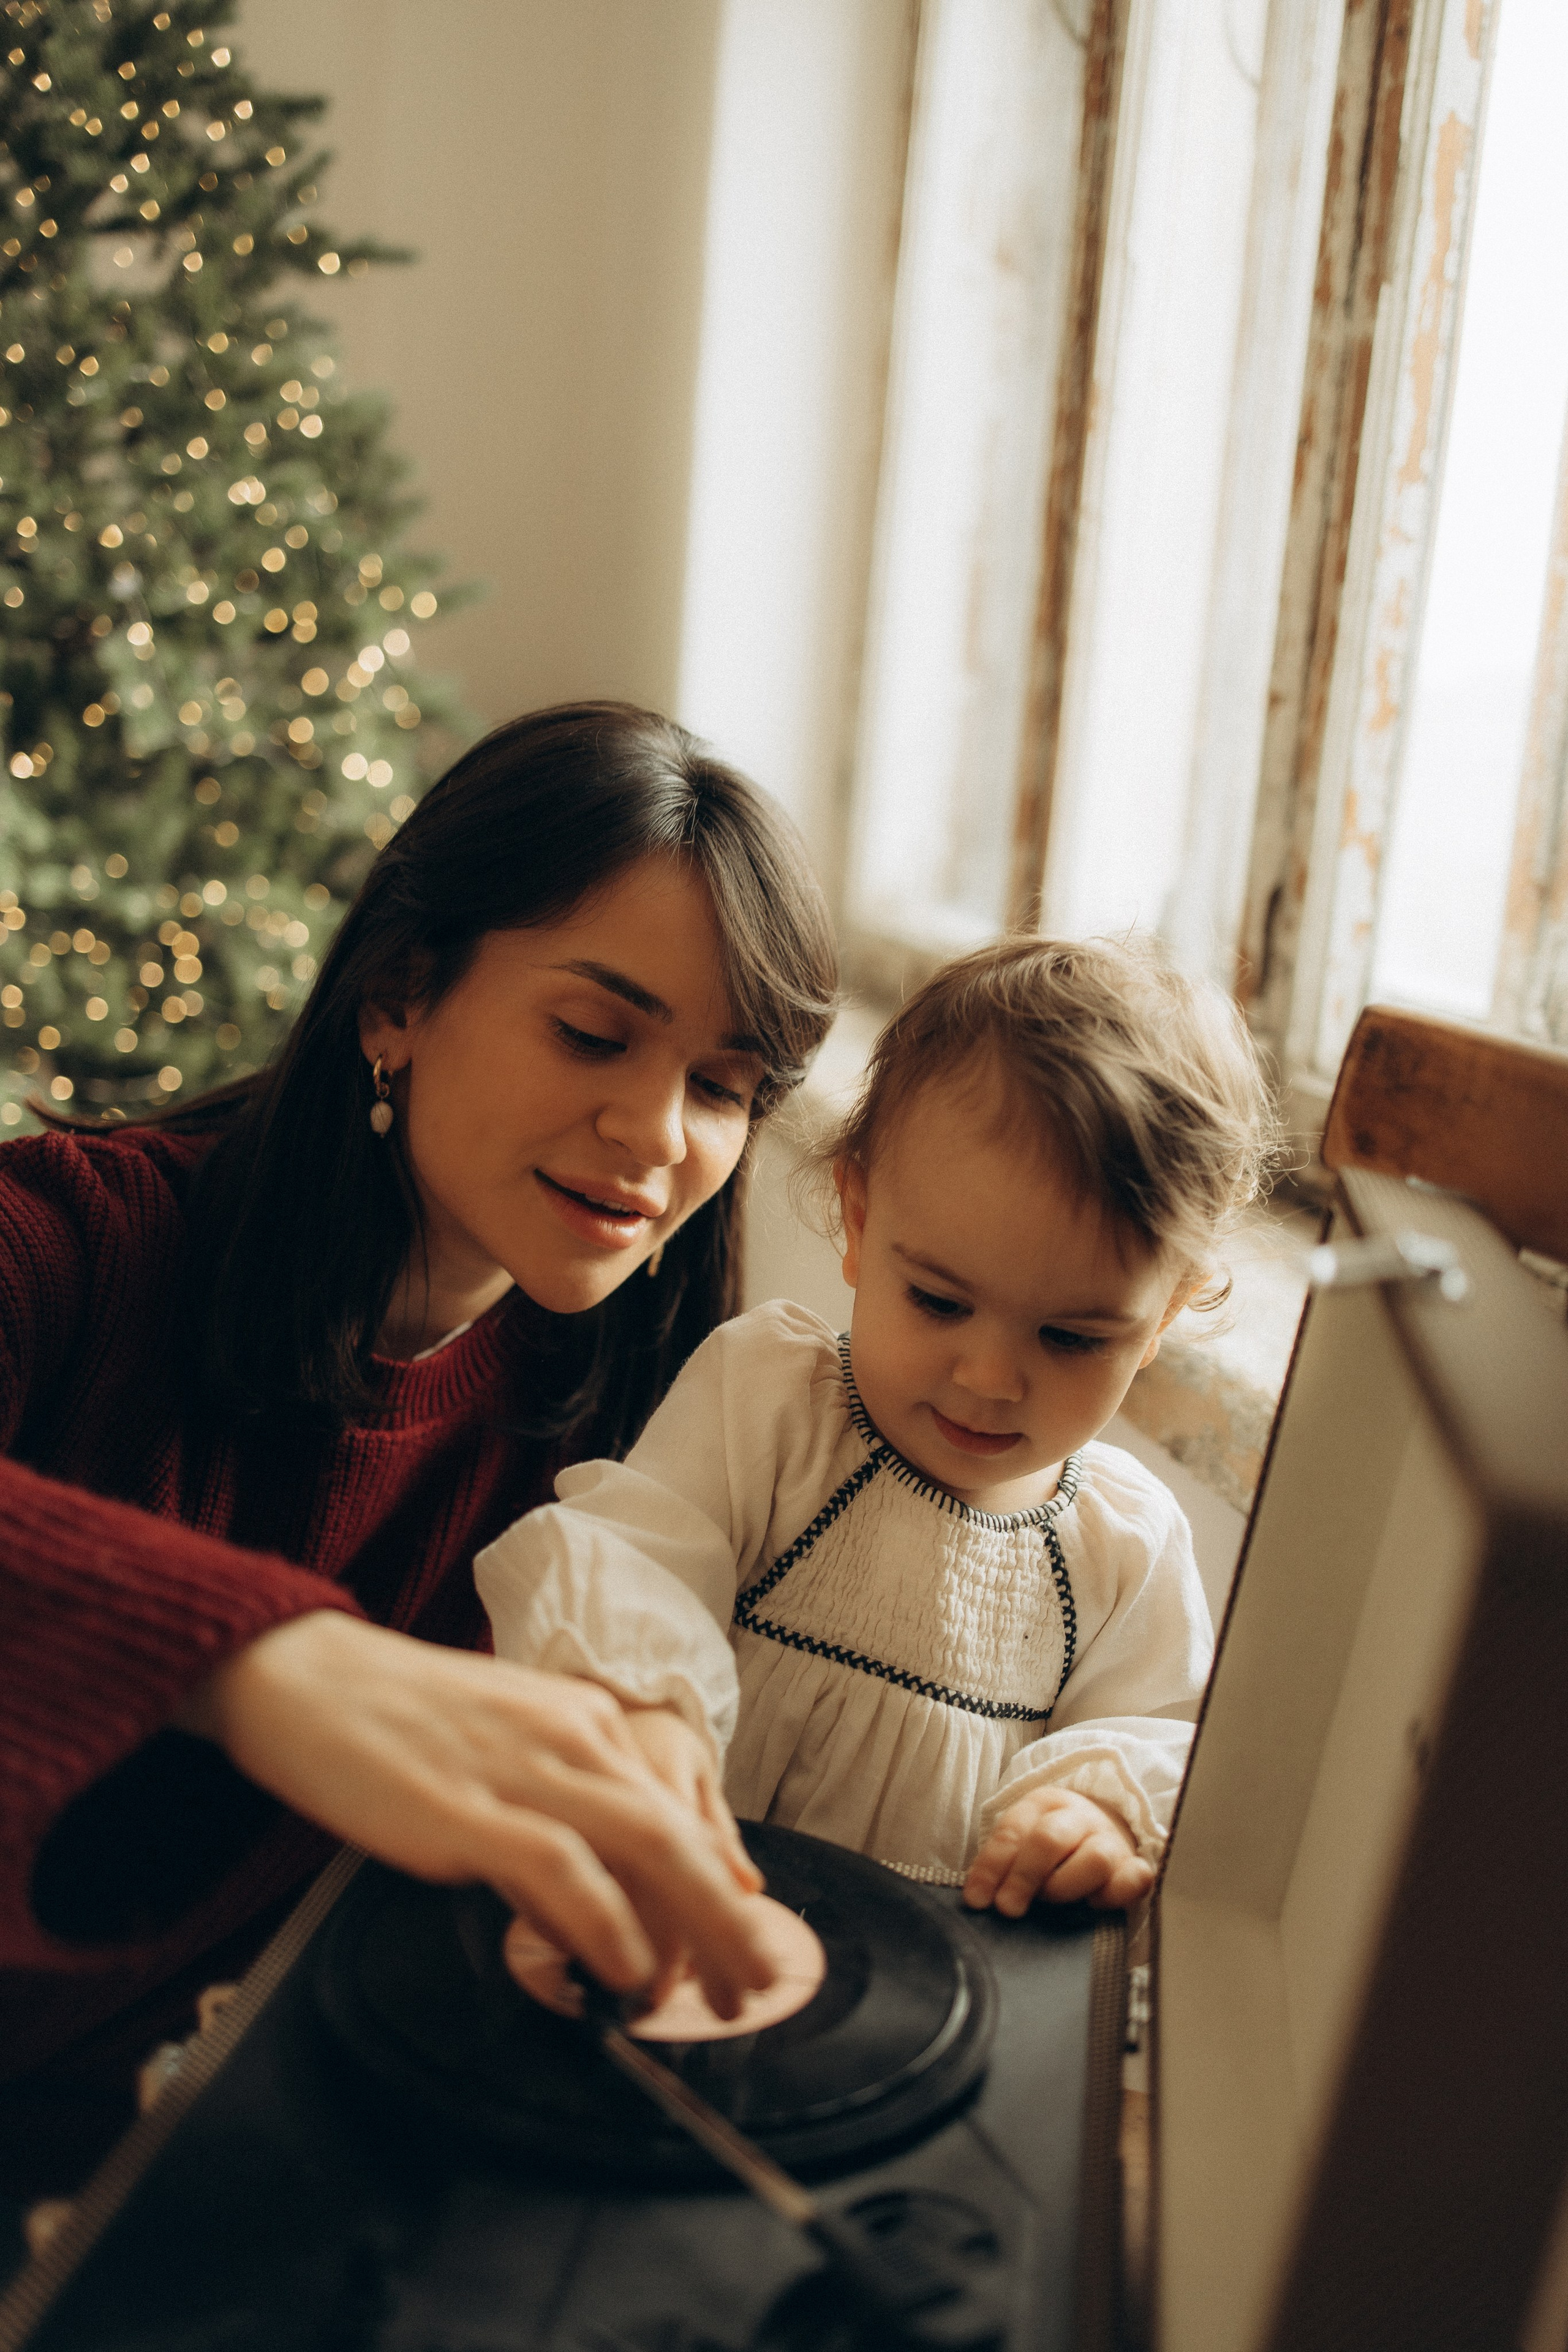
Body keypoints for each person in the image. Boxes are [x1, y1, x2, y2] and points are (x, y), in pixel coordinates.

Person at [0, 702, 839, 2196]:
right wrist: (254, 1662)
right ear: (397, 997)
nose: (658, 1135)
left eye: (720, 1086)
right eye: (594, 1032)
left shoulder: (632, 1412)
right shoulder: (74, 1241)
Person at [477, 936, 1278, 1913]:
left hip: (926, 1998)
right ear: (859, 1220)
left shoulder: (1125, 1547)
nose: (989, 1380)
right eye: (939, 1301)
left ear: (1161, 1319)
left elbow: (1153, 1733)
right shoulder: (770, 1399)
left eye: (1070, 1338)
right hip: (676, 1906)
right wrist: (645, 1715)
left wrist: (1093, 1816)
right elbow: (639, 1561)